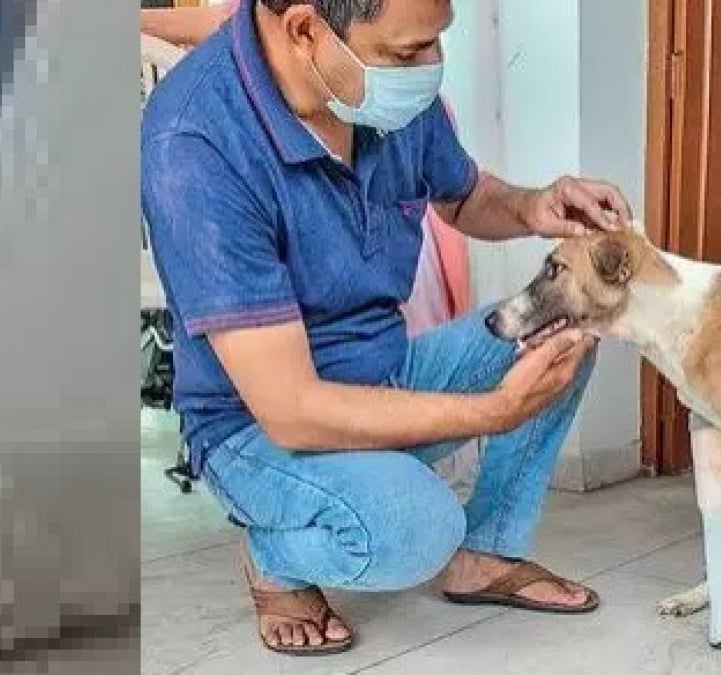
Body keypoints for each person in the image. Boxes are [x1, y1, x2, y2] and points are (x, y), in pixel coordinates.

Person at [141, 0, 633, 656]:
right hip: (255, 428)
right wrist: (490, 412)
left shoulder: (378, 92)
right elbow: (291, 409)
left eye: (436, 42)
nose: (432, 66)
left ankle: (483, 555)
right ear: (306, 29)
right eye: (408, 53)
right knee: (416, 529)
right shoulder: (195, 140)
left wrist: (533, 205)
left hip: (383, 368)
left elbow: (460, 195)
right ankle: (276, 555)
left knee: (569, 322)